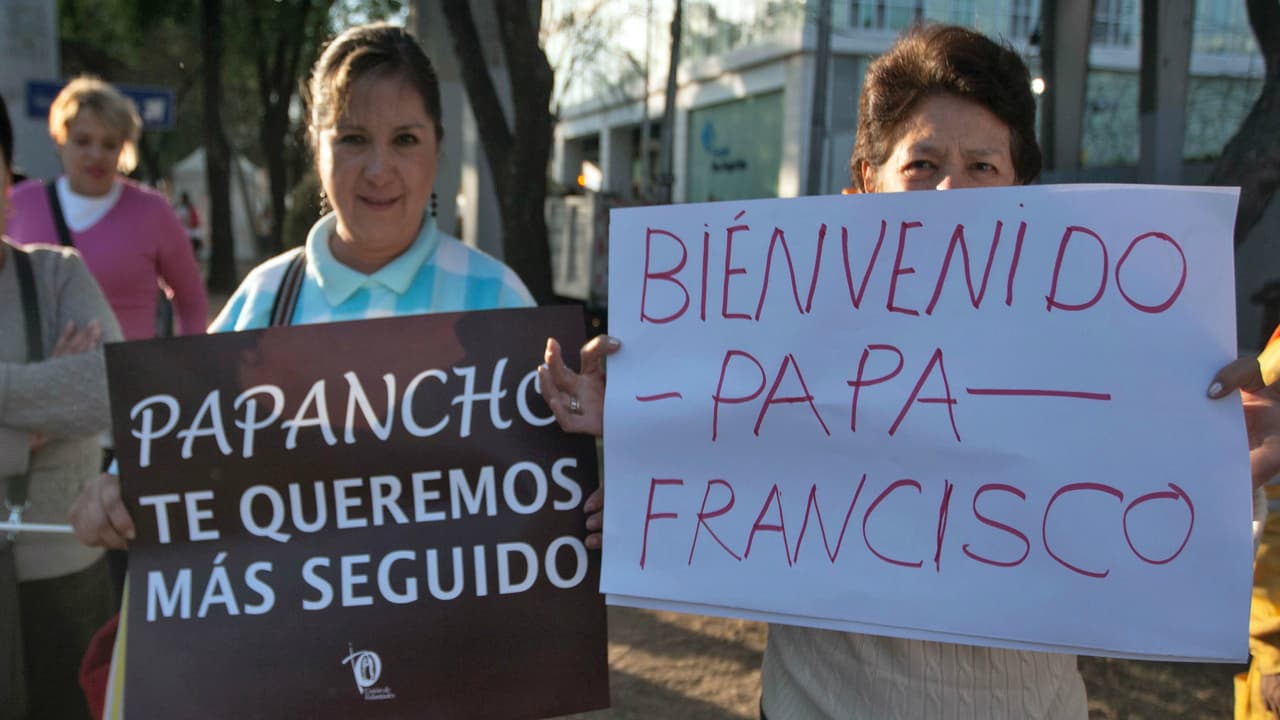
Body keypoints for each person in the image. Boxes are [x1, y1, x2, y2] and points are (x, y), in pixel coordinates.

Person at [539, 23, 1279, 720]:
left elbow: (1148, 524)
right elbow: (745, 452)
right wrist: (643, 411)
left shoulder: (1106, 354)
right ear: (865, 184)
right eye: (922, 164)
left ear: (1023, 191)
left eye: (982, 166)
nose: (951, 193)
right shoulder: (780, 332)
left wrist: (1216, 439)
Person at [67, 22, 534, 717]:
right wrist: (117, 490)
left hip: (448, 677)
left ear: (437, 145)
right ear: (315, 146)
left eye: (405, 139)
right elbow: (178, 463)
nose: (379, 169)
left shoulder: (500, 301)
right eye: (352, 138)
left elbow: (538, 504)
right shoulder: (263, 299)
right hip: (283, 679)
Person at [0, 92, 124, 719]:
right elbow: (69, 396)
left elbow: (106, 388)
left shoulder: (56, 276)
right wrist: (39, 409)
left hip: (64, 567)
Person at [6, 76, 208, 340]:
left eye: (109, 144)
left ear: (123, 149)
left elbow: (191, 299)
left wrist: (187, 361)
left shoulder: (152, 210)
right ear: (59, 139)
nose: (96, 154)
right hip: (40, 376)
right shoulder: (18, 202)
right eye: (82, 140)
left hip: (132, 376)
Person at [175, 190, 202, 256]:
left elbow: (195, 222)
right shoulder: (182, 208)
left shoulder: (186, 208)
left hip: (191, 235)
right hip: (190, 235)